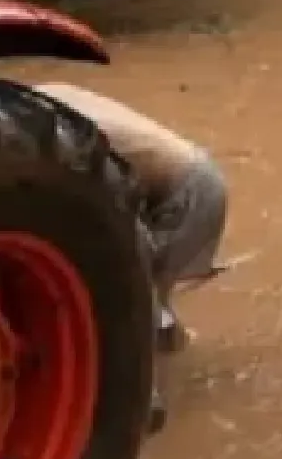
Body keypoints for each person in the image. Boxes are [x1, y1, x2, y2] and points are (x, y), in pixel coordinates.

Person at [31, 82, 227, 353]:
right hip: (193, 173)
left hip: (189, 190)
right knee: (144, 299)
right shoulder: (45, 97)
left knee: (137, 305)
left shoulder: (49, 131)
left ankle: (160, 376)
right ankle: (172, 357)